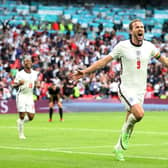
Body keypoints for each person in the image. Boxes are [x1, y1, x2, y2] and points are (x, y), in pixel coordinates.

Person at [72, 19, 168, 161]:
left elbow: (164, 60)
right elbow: (104, 61)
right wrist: (86, 71)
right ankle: (122, 142)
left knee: (132, 120)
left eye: (142, 27)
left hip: (140, 90)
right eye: (137, 27)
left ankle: (119, 148)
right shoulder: (122, 46)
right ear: (131, 31)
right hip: (126, 88)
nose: (140, 29)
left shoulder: (149, 46)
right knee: (139, 114)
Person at [13, 56, 39, 139]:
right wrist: (19, 84)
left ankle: (20, 122)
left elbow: (36, 82)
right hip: (21, 95)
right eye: (26, 61)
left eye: (29, 61)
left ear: (31, 63)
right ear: (24, 63)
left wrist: (37, 85)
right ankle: (21, 134)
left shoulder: (35, 73)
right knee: (22, 115)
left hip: (29, 96)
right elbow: (14, 85)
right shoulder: (19, 73)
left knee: (31, 117)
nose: (28, 62)